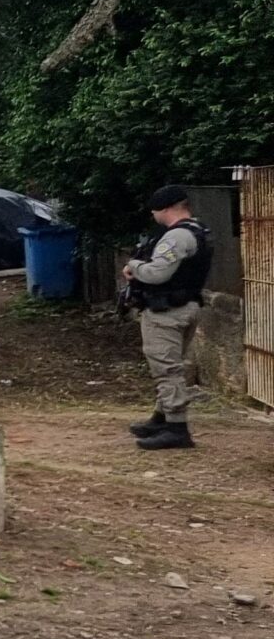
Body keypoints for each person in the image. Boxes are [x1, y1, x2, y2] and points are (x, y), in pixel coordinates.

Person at [123, 183, 212, 449]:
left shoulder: (176, 237)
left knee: (166, 367)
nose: (153, 215)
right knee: (172, 364)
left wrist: (134, 266)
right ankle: (161, 419)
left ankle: (176, 428)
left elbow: (157, 273)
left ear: (165, 209)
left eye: (154, 210)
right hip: (185, 305)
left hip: (166, 311)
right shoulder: (199, 231)